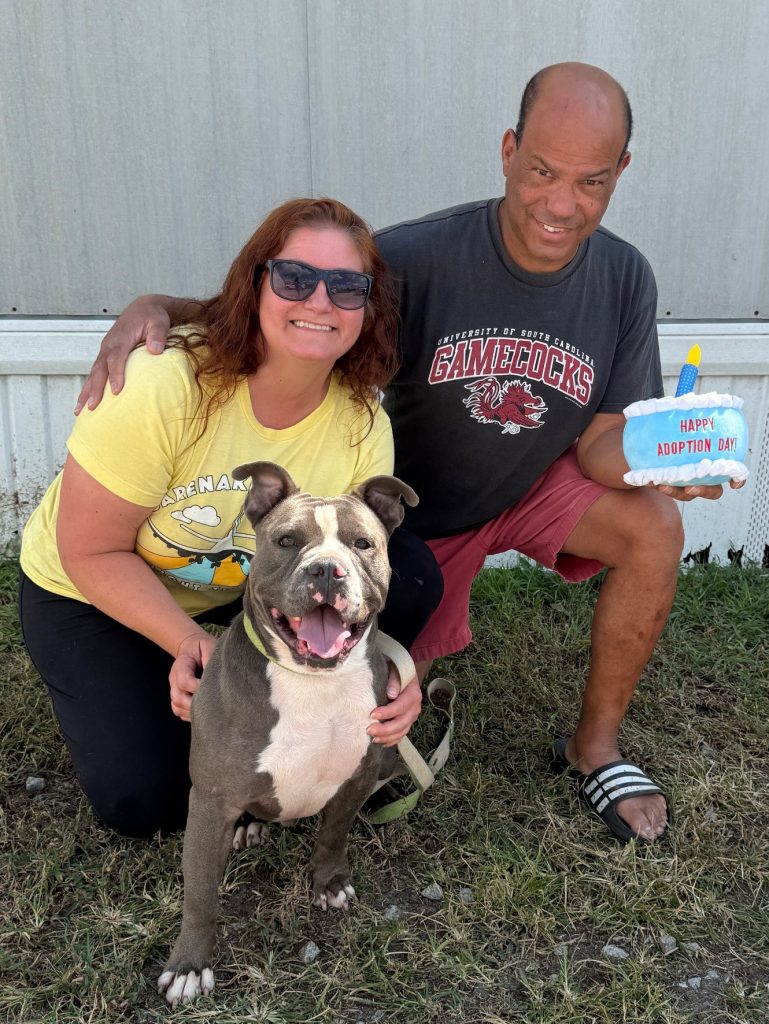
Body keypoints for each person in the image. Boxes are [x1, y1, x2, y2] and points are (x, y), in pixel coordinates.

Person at [76, 63, 744, 844]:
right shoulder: (419, 256)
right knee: (364, 728)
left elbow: (599, 445)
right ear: (507, 151)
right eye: (541, 172)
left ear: (620, 171)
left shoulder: (623, 276)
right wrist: (158, 305)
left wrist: (663, 462)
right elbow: (299, 312)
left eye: (590, 182)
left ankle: (594, 749)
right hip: (420, 516)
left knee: (653, 523)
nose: (561, 204)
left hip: (531, 483)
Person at [20, 197, 441, 838]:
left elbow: (353, 571)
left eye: (347, 287)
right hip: (91, 588)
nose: (320, 301)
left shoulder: (360, 422)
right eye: (295, 278)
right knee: (145, 799)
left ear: (369, 307)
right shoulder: (163, 384)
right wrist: (192, 649)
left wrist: (389, 671)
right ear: (255, 283)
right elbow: (90, 550)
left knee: (409, 570)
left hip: (242, 590)